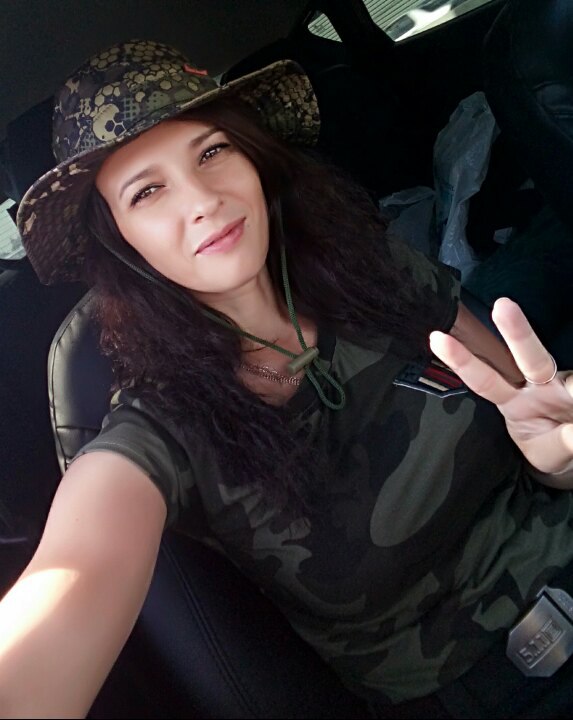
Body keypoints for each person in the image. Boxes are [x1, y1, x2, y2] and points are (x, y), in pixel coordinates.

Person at [1, 38, 572, 718]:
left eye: (212, 151)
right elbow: (70, 580)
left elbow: (538, 418)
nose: (204, 200)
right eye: (147, 191)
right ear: (120, 238)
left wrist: (558, 461)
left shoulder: (373, 269)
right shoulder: (159, 429)